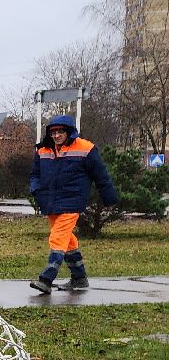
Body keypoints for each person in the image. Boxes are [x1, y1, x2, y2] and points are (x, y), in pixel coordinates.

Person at [27, 114, 119, 293]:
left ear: (69, 132)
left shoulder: (86, 148)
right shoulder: (43, 150)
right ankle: (79, 277)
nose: (56, 135)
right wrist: (36, 190)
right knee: (67, 240)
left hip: (72, 200)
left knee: (58, 237)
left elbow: (101, 175)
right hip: (49, 200)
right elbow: (34, 174)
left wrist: (109, 197)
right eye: (53, 132)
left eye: (60, 131)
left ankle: (47, 278)